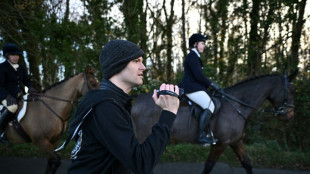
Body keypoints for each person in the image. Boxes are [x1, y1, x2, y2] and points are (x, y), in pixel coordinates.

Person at [66, 40, 180, 174]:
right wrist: (169, 113)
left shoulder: (112, 102)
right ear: (118, 65)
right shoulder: (105, 107)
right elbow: (141, 163)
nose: (143, 67)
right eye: (136, 61)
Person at [178, 33, 220, 145]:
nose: (204, 46)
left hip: (195, 87)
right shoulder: (192, 56)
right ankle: (201, 136)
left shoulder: (195, 56)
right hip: (191, 88)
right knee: (210, 105)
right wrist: (212, 84)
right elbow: (199, 76)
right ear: (195, 44)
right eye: (202, 43)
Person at [0, 43, 37, 139]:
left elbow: (26, 80)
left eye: (17, 55)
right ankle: (2, 132)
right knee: (13, 107)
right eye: (13, 55)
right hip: (5, 95)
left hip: (19, 94)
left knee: (33, 102)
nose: (16, 57)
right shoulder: (2, 67)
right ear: (7, 56)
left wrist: (30, 87)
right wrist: (7, 96)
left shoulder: (21, 67)